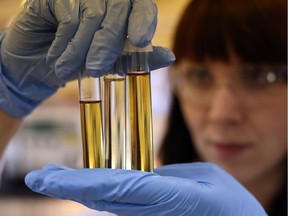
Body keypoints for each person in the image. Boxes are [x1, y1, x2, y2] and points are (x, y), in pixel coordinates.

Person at [2, 0, 285, 215]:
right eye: (200, 75)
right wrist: (6, 89)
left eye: (260, 76)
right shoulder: (107, 203)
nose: (222, 115)